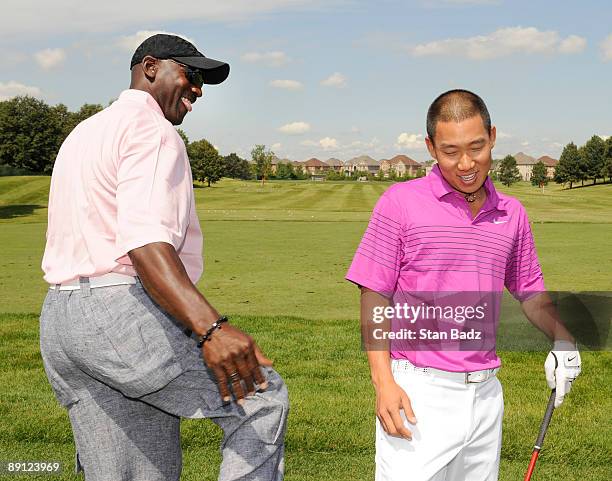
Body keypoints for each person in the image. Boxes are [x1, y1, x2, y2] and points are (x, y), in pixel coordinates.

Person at [39, 34, 288, 481]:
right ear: (150, 67)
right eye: (191, 75)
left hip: (60, 321)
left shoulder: (84, 131)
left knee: (134, 470)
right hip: (119, 311)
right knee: (261, 395)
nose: (198, 90)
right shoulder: (152, 131)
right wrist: (211, 329)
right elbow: (146, 243)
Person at [345, 89, 581, 481]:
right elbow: (374, 293)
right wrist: (383, 382)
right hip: (417, 395)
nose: (467, 163)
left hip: (486, 395)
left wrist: (564, 339)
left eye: (477, 146)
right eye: (451, 151)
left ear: (492, 136)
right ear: (431, 148)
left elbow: (529, 290)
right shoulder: (399, 202)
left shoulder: (512, 212)